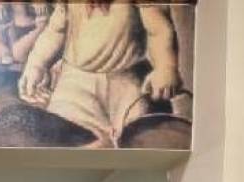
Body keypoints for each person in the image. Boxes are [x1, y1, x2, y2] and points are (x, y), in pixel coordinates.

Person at [18, 0, 182, 146]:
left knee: (140, 134)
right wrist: (36, 64)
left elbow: (158, 29)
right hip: (76, 82)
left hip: (128, 79)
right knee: (65, 134)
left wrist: (165, 67)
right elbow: (55, 31)